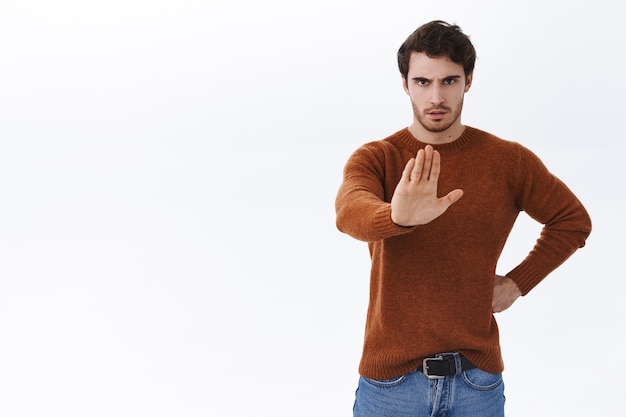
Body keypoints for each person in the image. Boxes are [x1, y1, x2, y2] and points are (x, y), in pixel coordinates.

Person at [335, 20, 592, 417]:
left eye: (449, 81)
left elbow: (572, 221)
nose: (436, 96)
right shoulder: (377, 157)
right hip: (390, 385)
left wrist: (518, 283)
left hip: (477, 382)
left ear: (468, 81)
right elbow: (350, 213)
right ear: (405, 84)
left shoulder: (508, 161)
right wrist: (397, 216)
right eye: (422, 82)